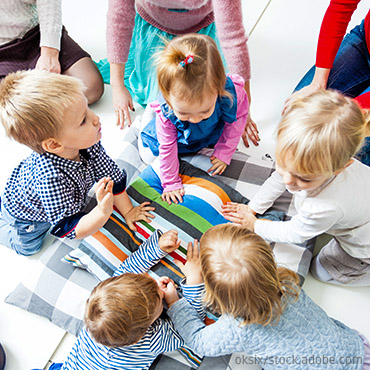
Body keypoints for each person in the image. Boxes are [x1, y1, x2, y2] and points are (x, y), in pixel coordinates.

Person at [165, 224, 370, 369]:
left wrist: (176, 302)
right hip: (357, 354)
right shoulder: (288, 282)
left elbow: (198, 342)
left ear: (214, 294)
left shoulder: (238, 329)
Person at [222, 89, 370, 286]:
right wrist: (253, 208)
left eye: (304, 179)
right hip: (357, 211)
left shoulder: (324, 205)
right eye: (284, 167)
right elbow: (279, 178)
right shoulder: (319, 163)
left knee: (320, 271)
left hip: (363, 248)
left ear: (340, 168)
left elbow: (296, 232)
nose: (289, 181)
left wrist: (254, 225)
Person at [0, 70, 154, 256]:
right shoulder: (50, 180)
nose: (96, 119)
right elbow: (71, 230)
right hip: (26, 216)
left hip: (39, 191)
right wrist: (102, 212)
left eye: (88, 109)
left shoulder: (88, 142)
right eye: (83, 121)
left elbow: (112, 177)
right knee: (29, 249)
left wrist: (128, 211)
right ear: (55, 144)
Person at [100, 0, 259, 148]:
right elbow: (119, 19)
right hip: (154, 25)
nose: (196, 120)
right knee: (162, 98)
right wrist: (117, 84)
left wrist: (244, 104)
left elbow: (232, 35)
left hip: (203, 28)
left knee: (204, 96)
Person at [61, 229, 205, 370]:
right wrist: (189, 285)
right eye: (159, 299)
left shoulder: (96, 317)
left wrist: (157, 248)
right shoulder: (150, 341)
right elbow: (187, 329)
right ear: (141, 334)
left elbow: (127, 270)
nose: (159, 288)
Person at [138, 34, 249, 205]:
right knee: (147, 156)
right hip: (177, 137)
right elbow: (167, 146)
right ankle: (149, 113)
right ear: (168, 99)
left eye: (204, 111)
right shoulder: (168, 112)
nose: (195, 119)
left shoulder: (231, 94)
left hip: (209, 133)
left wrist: (225, 151)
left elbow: (238, 119)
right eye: (185, 113)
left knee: (215, 162)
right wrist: (171, 182)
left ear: (219, 89)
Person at [284, 0, 370, 165]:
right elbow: (341, 5)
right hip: (365, 42)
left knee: (341, 147)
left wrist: (344, 113)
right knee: (299, 115)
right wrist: (318, 82)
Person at [0, 0, 103, 104]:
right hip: (2, 51)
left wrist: (49, 53)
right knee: (12, 101)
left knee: (91, 88)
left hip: (37, 34)